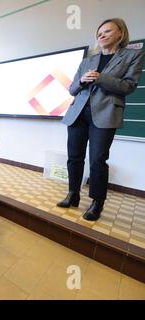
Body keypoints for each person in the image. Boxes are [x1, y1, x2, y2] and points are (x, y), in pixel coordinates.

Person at [58, 18, 144, 221]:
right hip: (78, 113)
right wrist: (81, 81)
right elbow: (72, 89)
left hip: (106, 113)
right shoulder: (87, 60)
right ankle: (73, 194)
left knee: (97, 160)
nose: (101, 35)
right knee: (74, 157)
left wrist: (100, 78)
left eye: (107, 31)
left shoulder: (132, 55)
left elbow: (128, 87)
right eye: (99, 33)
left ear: (120, 34)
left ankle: (97, 202)